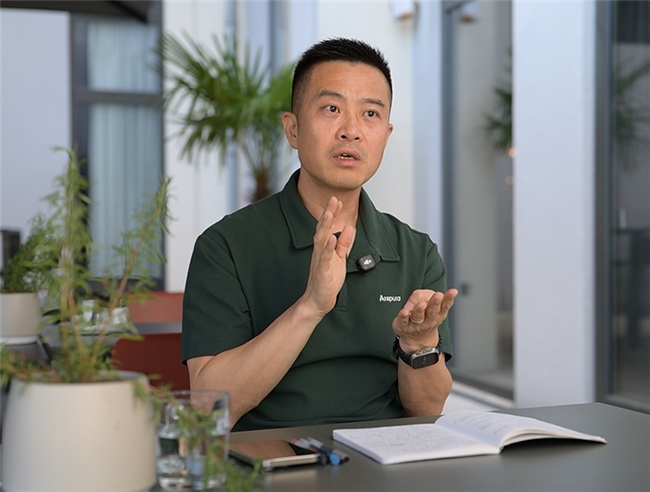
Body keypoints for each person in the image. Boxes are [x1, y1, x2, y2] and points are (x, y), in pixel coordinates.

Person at [181, 38, 458, 431]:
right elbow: (210, 408)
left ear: (386, 134)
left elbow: (426, 410)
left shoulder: (416, 251)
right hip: (271, 454)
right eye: (331, 109)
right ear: (293, 129)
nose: (352, 131)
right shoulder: (225, 246)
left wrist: (418, 345)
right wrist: (310, 306)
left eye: (370, 114)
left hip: (384, 453)